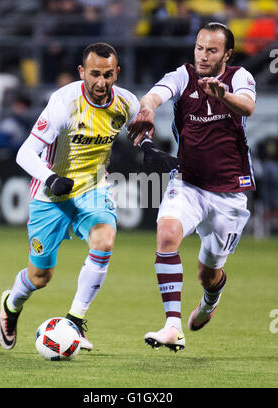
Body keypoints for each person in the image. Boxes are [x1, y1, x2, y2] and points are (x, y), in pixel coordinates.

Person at [0, 42, 140, 351]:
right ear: (81, 72)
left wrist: (151, 147)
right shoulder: (64, 104)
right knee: (40, 277)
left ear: (117, 73)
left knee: (105, 240)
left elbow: (142, 129)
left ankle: (75, 320)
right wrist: (50, 177)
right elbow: (25, 153)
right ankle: (11, 304)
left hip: (93, 188)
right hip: (51, 195)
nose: (101, 83)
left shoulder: (127, 102)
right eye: (94, 75)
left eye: (108, 75)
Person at [128, 22, 256, 352]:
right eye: (199, 47)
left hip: (229, 192)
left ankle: (210, 302)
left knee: (208, 274)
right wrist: (147, 108)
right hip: (189, 183)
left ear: (227, 54)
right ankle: (172, 326)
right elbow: (155, 93)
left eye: (212, 50)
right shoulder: (183, 76)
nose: (203, 55)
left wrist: (223, 95)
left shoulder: (238, 77)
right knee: (167, 235)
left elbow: (248, 106)